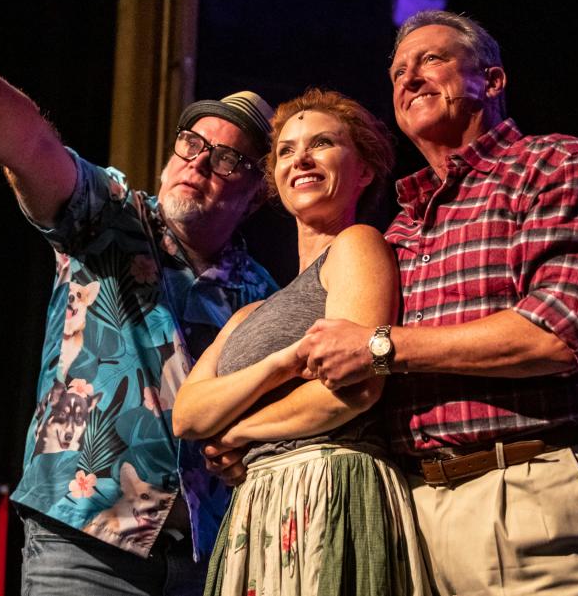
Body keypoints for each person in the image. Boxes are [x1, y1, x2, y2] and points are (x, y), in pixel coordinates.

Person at [0, 0, 279, 596]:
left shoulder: (264, 296)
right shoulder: (110, 218)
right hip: (86, 545)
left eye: (226, 159)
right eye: (191, 144)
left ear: (255, 194)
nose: (197, 163)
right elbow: (28, 146)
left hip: (212, 559)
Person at [298, 11, 578, 595]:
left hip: (533, 485)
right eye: (398, 71)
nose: (409, 78)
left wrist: (382, 346)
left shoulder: (553, 164)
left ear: (494, 80)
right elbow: (347, 373)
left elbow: (557, 335)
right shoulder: (402, 231)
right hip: (415, 507)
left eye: (431, 60)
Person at [174, 89, 431, 596]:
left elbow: (354, 392)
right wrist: (283, 363)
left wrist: (239, 433)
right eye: (287, 150)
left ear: (364, 172)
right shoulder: (253, 308)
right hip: (260, 504)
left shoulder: (357, 245)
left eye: (322, 144)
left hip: (327, 488)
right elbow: (188, 414)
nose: (301, 159)